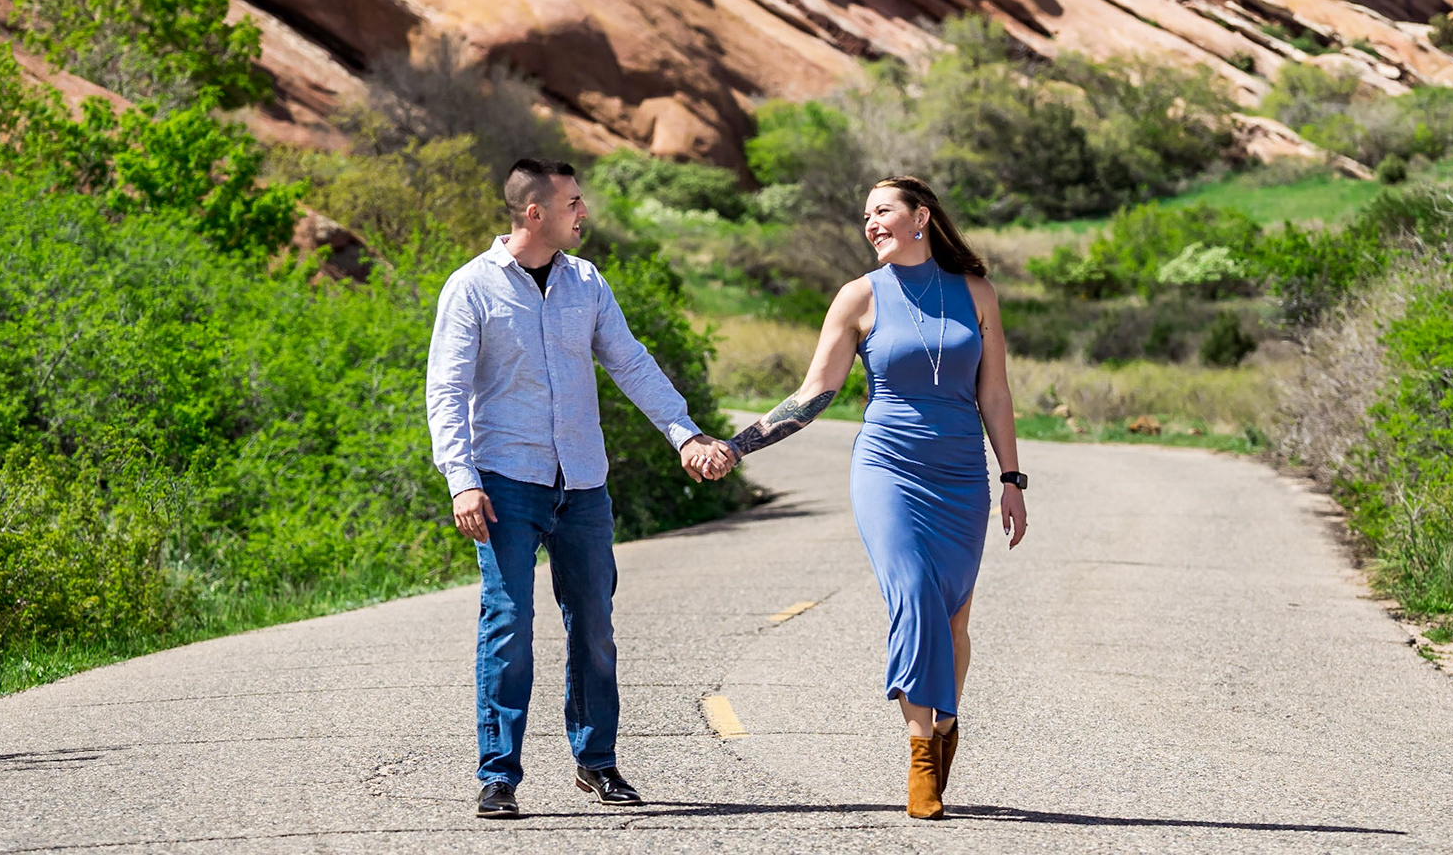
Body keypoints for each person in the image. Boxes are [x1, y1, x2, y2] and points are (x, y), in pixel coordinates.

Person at [426, 157, 736, 820]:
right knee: (509, 625)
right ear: (535, 212)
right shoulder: (473, 288)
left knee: (594, 626)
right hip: (506, 482)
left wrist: (685, 434)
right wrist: (461, 481)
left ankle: (596, 764)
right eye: (572, 202)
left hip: (583, 484)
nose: (582, 212)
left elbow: (629, 361)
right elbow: (447, 392)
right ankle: (498, 775)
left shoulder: (586, 284)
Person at [714, 175, 1027, 820]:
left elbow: (994, 393)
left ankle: (945, 725)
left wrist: (1011, 479)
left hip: (963, 471)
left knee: (954, 617)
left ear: (922, 218)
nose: (871, 223)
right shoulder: (858, 297)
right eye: (865, 215)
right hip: (888, 464)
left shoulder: (977, 293)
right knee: (911, 590)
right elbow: (812, 395)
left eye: (883, 211)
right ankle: (920, 753)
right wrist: (739, 446)